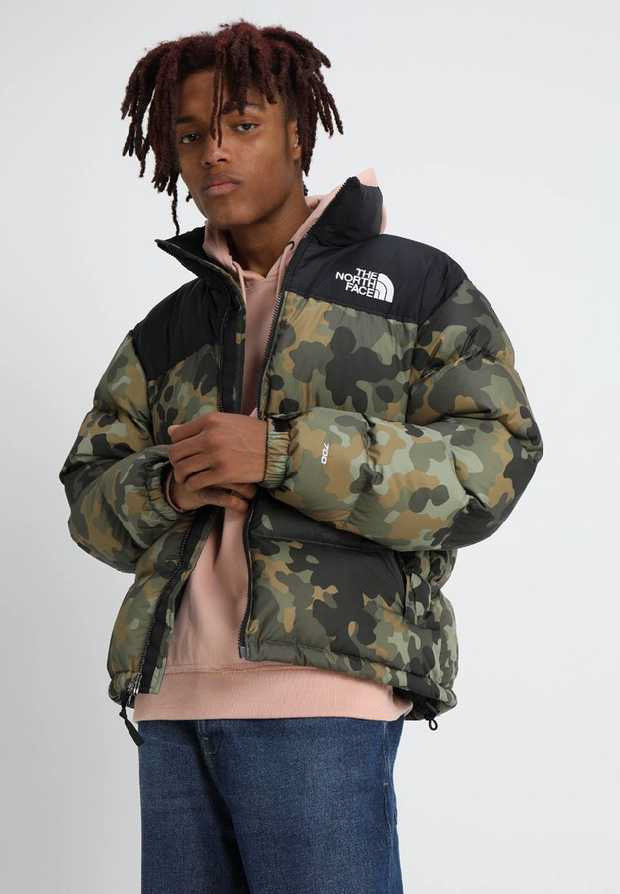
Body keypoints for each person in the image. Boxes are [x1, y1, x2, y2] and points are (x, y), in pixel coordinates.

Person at [58, 19, 544, 894]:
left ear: (296, 134)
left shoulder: (415, 284)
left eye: (241, 125)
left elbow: (491, 462)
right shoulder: (168, 329)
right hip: (170, 699)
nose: (214, 152)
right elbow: (90, 500)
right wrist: (170, 483)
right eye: (190, 135)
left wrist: (284, 453)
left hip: (322, 691)